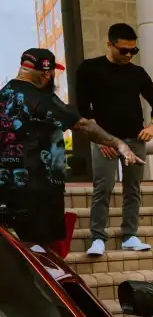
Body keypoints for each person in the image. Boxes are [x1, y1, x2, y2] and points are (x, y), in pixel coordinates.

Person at [0, 48, 141, 252]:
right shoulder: (41, 98)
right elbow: (82, 125)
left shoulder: (4, 95)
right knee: (40, 250)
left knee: (15, 249)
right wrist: (118, 144)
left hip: (6, 186)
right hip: (38, 190)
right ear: (47, 73)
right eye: (53, 72)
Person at [76, 23, 153, 256]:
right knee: (103, 187)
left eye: (133, 50)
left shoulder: (138, 73)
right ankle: (98, 238)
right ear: (109, 44)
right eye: (123, 50)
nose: (128, 55)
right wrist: (99, 140)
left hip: (134, 139)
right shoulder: (90, 69)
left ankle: (129, 236)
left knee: (133, 188)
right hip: (105, 140)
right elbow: (83, 109)